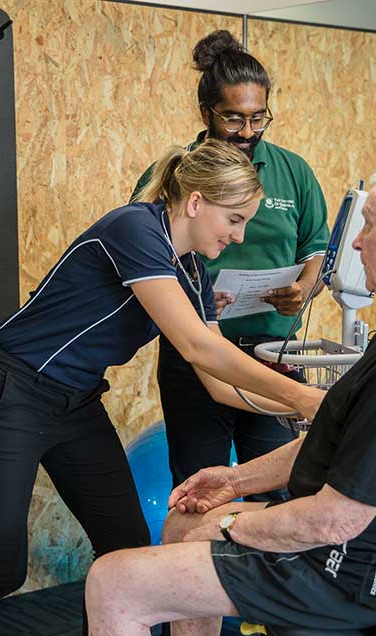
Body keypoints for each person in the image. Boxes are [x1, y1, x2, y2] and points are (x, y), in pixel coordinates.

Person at [0, 139, 325, 636]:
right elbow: (199, 348)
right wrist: (302, 398)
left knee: (129, 553)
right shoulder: (135, 228)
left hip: (75, 404)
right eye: (233, 219)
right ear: (198, 202)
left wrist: (314, 409)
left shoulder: (195, 273)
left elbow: (218, 385)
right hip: (13, 390)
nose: (239, 234)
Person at [86, 162, 376, 636]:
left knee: (113, 582)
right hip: (348, 551)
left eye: (368, 226)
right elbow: (337, 439)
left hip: (339, 572)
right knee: (183, 522)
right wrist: (234, 481)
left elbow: (334, 520)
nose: (357, 244)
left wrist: (234, 525)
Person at [131, 30, 330, 506]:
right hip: (197, 351)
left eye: (258, 117)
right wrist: (196, 297)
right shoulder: (174, 174)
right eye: (234, 119)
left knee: (283, 487)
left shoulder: (292, 171)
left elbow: (317, 250)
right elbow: (145, 258)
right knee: (200, 488)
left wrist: (305, 287)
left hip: (270, 350)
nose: (247, 131)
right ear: (207, 115)